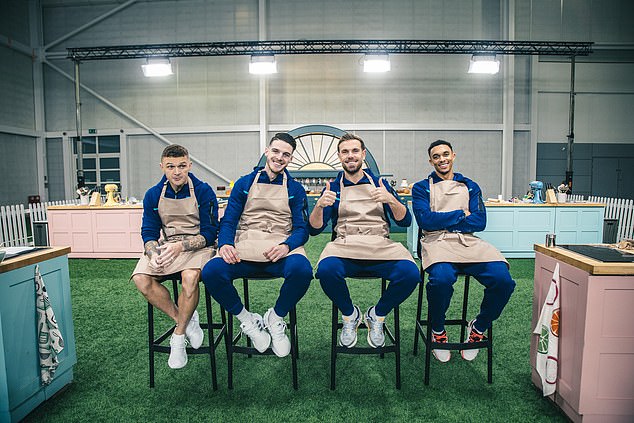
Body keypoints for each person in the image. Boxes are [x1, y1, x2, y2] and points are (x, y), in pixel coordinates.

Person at [202, 133, 312, 358]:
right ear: (266, 151)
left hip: (278, 249)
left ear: (290, 159)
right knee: (211, 272)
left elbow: (302, 229)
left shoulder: (296, 189)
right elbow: (229, 220)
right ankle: (248, 321)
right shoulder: (244, 183)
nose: (279, 158)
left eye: (285, 155)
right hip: (246, 246)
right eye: (276, 151)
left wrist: (286, 246)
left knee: (303, 271)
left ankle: (276, 318)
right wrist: (224, 245)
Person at [309, 133, 420, 349]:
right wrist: (319, 205)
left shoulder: (379, 183)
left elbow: (405, 220)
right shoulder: (332, 187)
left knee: (410, 274)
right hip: (346, 245)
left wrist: (391, 199)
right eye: (345, 152)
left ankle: (376, 315)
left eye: (354, 151)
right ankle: (350, 315)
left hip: (379, 245)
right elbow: (314, 229)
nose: (350, 156)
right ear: (339, 156)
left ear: (363, 154)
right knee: (326, 270)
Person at [412, 139, 516, 363]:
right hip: (436, 242)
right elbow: (425, 220)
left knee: (503, 280)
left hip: (469, 242)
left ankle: (478, 327)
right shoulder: (421, 187)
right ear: (431, 161)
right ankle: (438, 330)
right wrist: (461, 215)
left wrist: (443, 220)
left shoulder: (470, 185)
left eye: (445, 154)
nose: (442, 159)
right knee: (441, 280)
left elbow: (479, 222)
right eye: (437, 156)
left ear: (454, 156)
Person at [132, 144, 219, 369]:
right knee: (141, 278)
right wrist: (152, 254)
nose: (177, 171)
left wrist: (182, 246)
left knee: (189, 277)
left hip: (197, 247)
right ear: (162, 167)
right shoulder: (153, 194)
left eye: (181, 165)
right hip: (167, 245)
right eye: (171, 166)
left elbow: (211, 233)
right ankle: (185, 318)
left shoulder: (203, 191)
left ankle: (179, 337)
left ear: (189, 165)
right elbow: (149, 232)